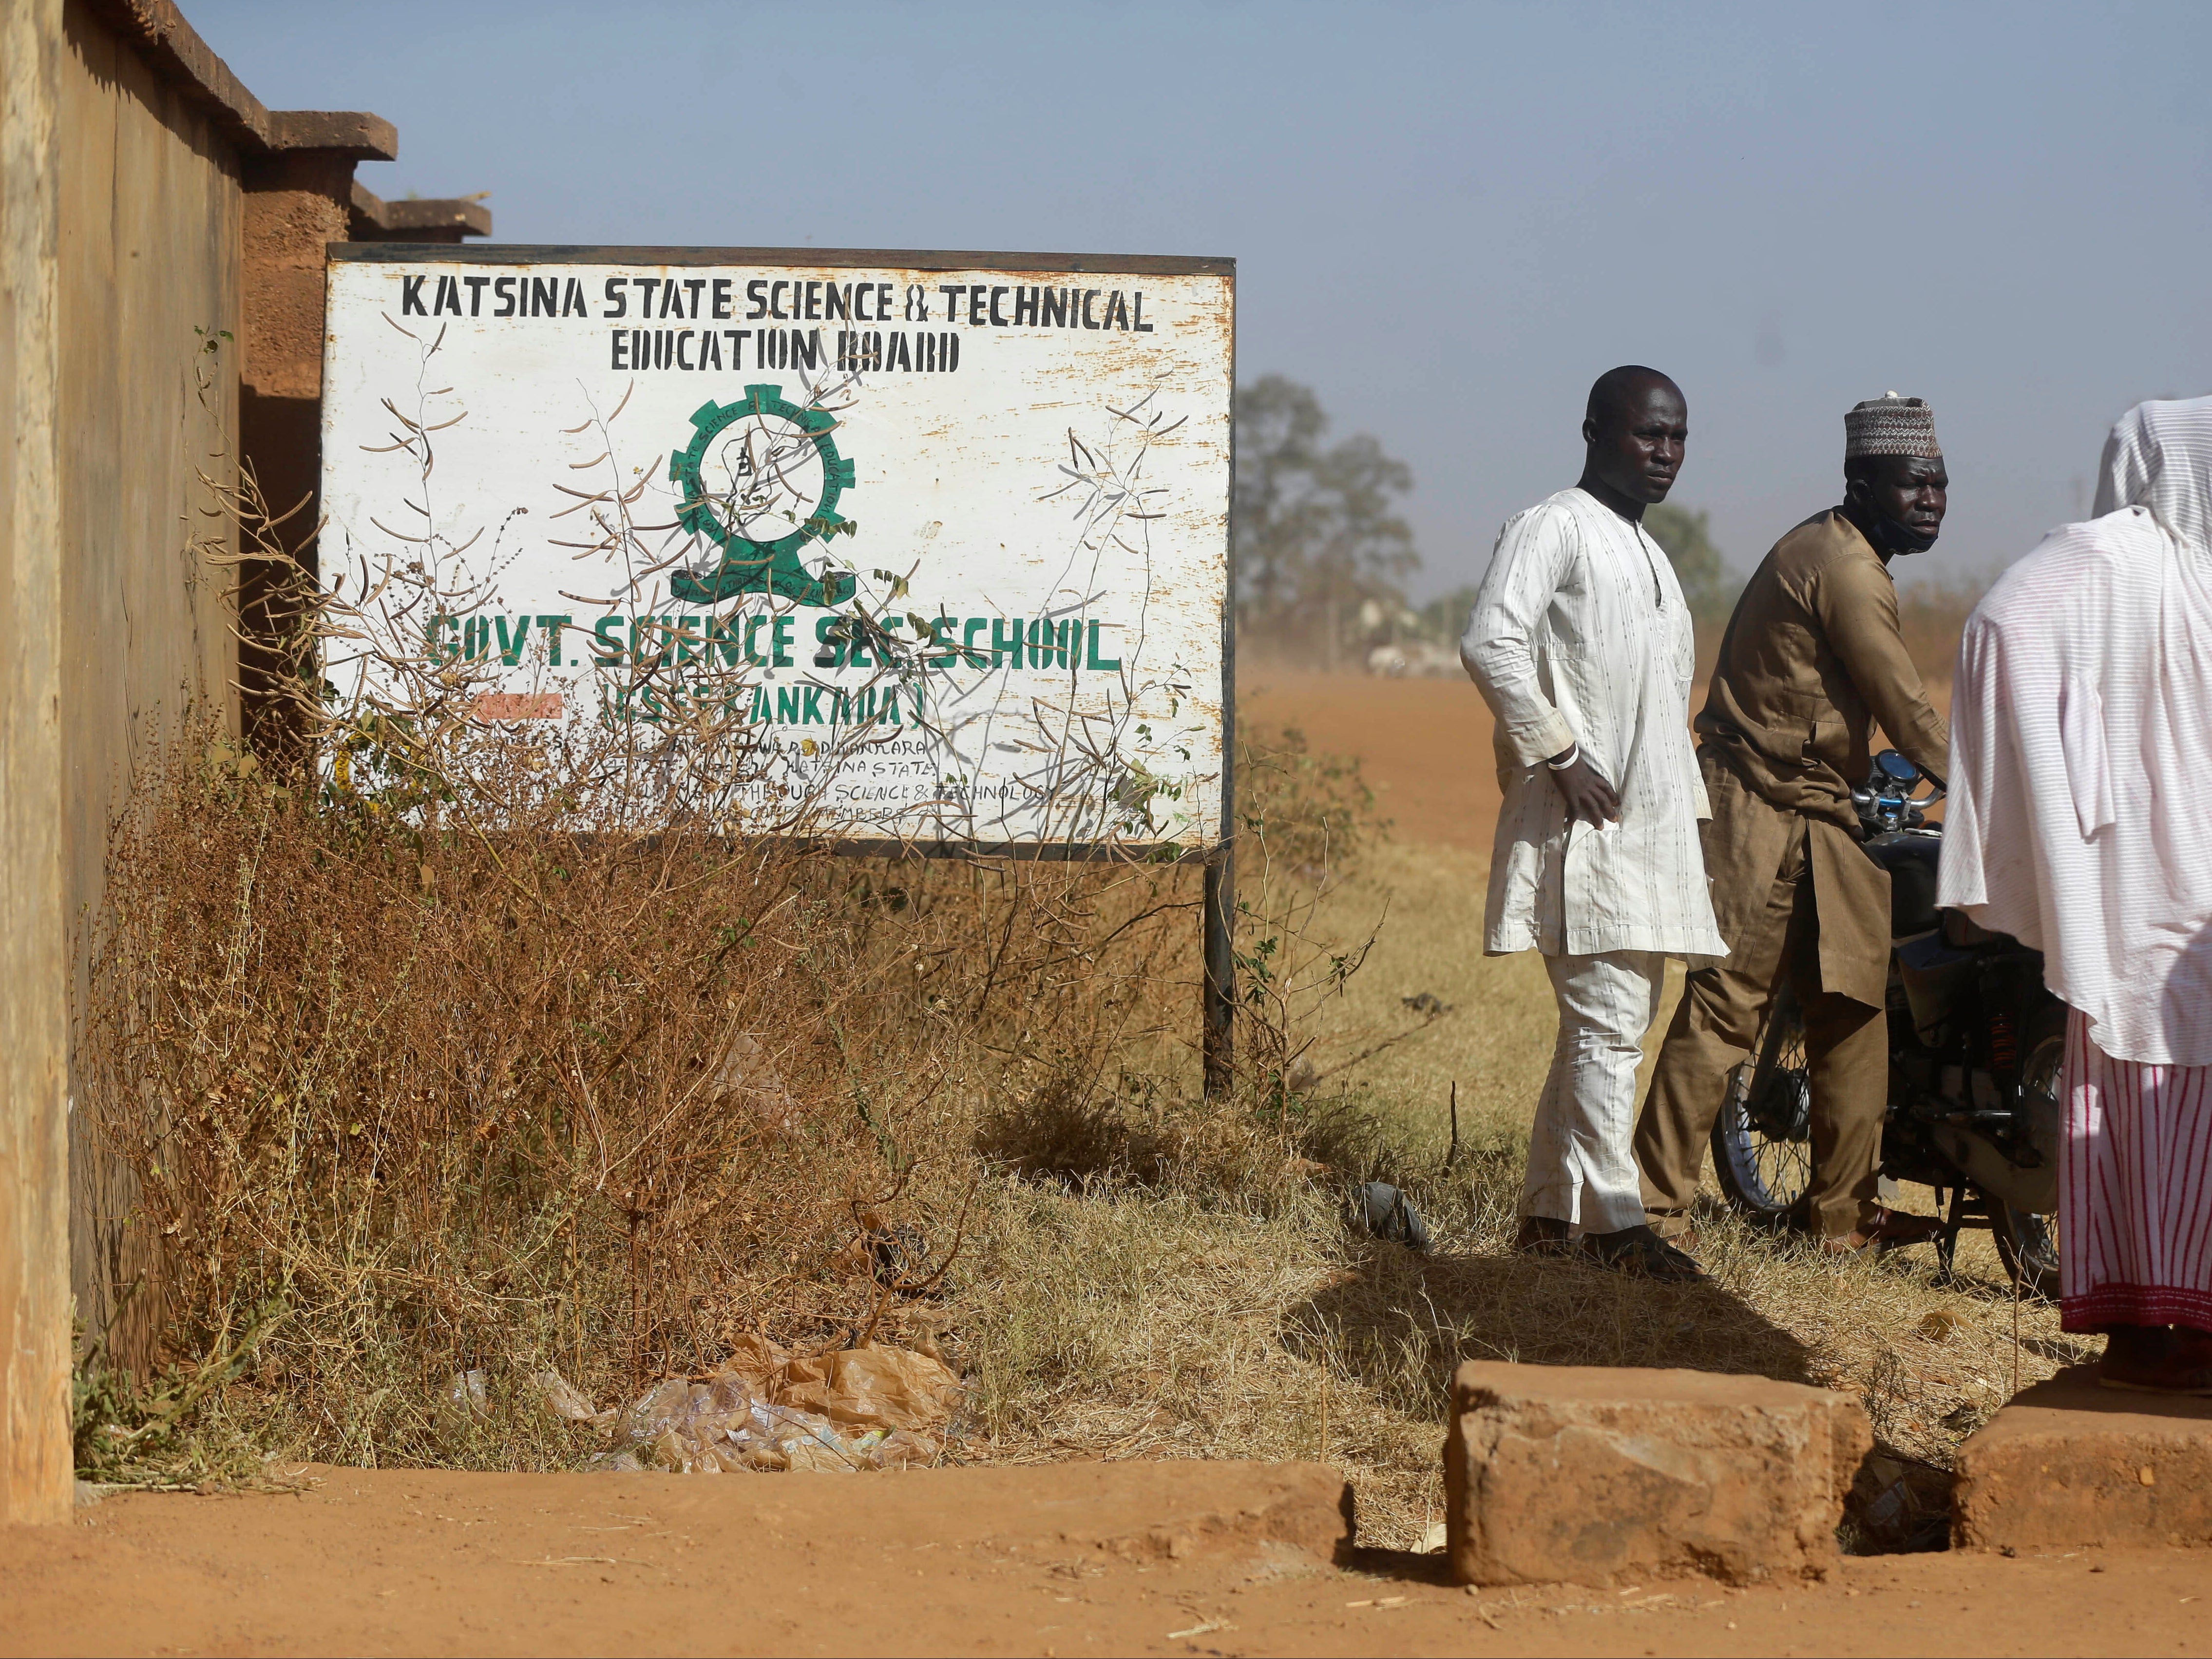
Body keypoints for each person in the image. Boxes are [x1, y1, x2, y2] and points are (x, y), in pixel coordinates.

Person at [1633, 395, 1951, 1254]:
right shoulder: (1841, 566)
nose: (1931, 500)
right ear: (1861, 482)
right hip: (1758, 800)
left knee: (1851, 1012)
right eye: (1913, 483)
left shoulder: (1852, 555)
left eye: (1940, 484)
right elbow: (1908, 709)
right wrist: (1999, 793)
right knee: (1728, 1003)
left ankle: (1842, 1222)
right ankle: (1653, 1213)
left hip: (1826, 809)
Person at [1939, 396, 2212, 1393]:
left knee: (2150, 1113)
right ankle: (2152, 1331)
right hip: (2145, 892)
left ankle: (2164, 1325)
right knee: (2139, 1107)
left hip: (2178, 897)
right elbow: (2002, 624)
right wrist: (2066, 794)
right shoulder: (2122, 557)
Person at [1461, 365, 1724, 1281]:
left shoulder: (1650, 553)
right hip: (1581, 827)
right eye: (1650, 434)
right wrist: (1560, 754)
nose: (1667, 453)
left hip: (1646, 830)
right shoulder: (1554, 527)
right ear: (1595, 432)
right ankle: (1616, 1229)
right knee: (1608, 1023)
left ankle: (1545, 1217)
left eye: (1678, 437)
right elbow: (1490, 637)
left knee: (1606, 1026)